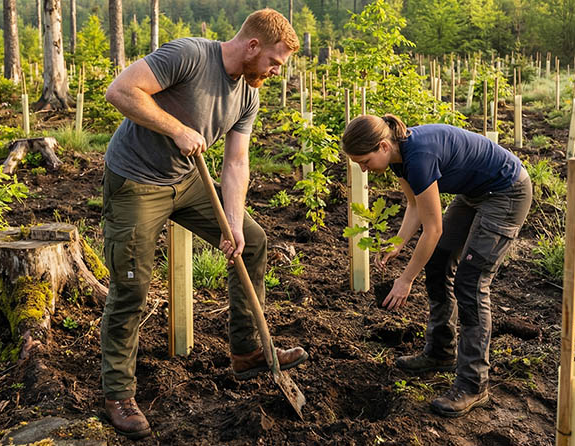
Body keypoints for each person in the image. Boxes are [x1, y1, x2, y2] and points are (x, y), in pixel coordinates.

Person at [100, 9, 308, 438]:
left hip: (188, 181)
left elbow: (236, 163)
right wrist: (176, 128)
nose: (275, 71)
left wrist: (232, 223)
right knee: (132, 285)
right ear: (252, 46)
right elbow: (119, 90)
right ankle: (118, 393)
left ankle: (247, 351)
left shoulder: (247, 94)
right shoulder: (189, 55)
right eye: (274, 62)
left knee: (252, 241)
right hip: (137, 180)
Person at [341, 114, 532, 417]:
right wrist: (398, 243)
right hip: (475, 193)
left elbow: (433, 230)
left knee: (470, 282)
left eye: (364, 161)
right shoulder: (399, 157)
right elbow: (415, 206)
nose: (363, 169)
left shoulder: (419, 157)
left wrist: (406, 279)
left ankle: (473, 384)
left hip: (507, 191)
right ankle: (441, 352)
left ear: (383, 146)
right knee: (438, 263)